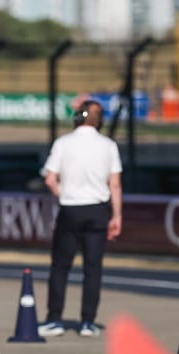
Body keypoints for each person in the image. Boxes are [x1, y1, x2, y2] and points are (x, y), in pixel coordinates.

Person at [37, 99, 122, 337]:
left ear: (77, 118)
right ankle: (87, 322)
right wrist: (117, 216)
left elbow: (50, 179)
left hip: (71, 209)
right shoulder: (108, 145)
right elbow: (115, 184)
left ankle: (55, 319)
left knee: (60, 266)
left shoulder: (63, 143)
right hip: (98, 210)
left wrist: (64, 194)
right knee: (93, 268)